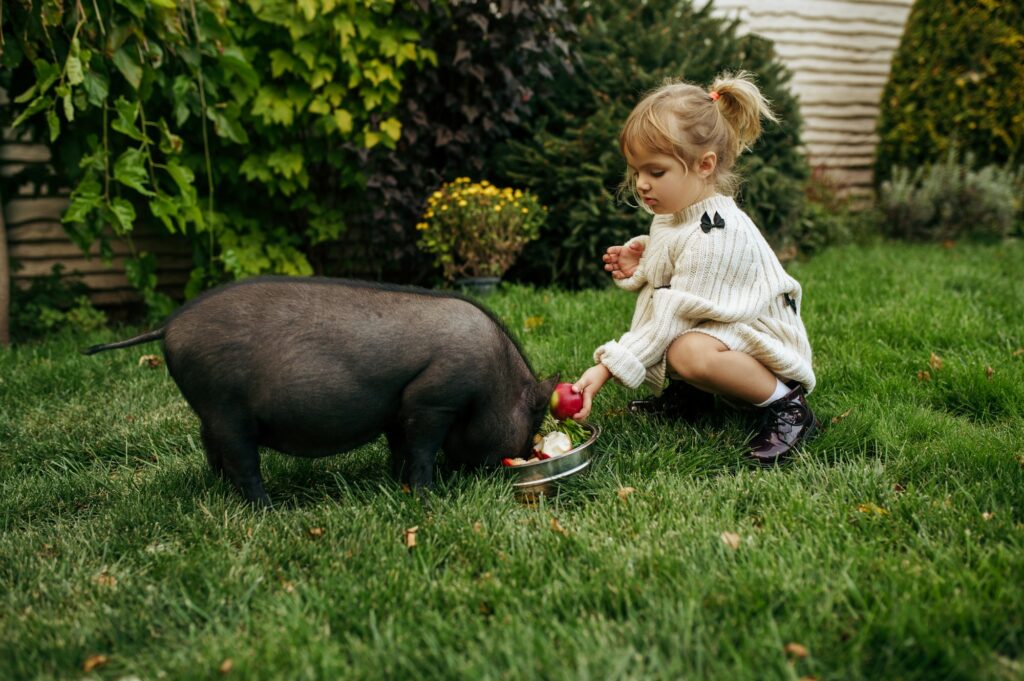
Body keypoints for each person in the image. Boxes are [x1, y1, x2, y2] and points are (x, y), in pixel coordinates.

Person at [569, 71, 818, 464]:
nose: (642, 185)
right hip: (730, 328)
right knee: (684, 341)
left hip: (766, 345)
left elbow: (673, 313)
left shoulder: (716, 233)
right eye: (637, 172)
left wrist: (606, 368)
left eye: (656, 172)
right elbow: (679, 273)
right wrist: (646, 260)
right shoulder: (679, 214)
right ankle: (692, 396)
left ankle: (787, 406)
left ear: (705, 165)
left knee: (686, 348)